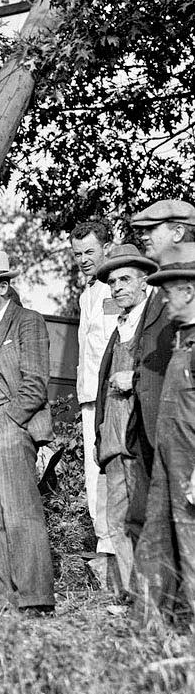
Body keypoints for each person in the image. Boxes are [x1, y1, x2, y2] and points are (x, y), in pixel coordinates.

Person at [0, 250, 55, 613]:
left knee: (20, 510)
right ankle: (2, 598)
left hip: (9, 423)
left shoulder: (28, 321)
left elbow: (35, 383)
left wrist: (12, 419)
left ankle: (35, 598)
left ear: (4, 286)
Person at [125, 201, 195, 531]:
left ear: (179, 231)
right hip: (155, 429)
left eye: (152, 230)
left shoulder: (186, 282)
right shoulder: (161, 282)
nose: (144, 238)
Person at [132, 261, 195, 621]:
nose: (164, 301)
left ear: (188, 291)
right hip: (167, 464)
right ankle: (149, 629)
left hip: (189, 468)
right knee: (154, 543)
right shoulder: (182, 340)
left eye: (169, 292)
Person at [92, 244, 158, 590]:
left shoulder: (157, 322)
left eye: (125, 280)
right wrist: (100, 436)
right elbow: (103, 387)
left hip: (142, 437)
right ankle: (133, 596)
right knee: (117, 520)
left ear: (144, 281)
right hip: (115, 442)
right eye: (112, 282)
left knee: (145, 519)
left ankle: (154, 597)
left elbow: (163, 377)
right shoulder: (119, 327)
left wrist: (133, 379)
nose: (117, 287)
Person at [69, 221, 119, 582]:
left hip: (112, 394)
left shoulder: (116, 289)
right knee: (93, 476)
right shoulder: (86, 295)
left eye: (90, 252)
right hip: (89, 397)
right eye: (78, 254)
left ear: (107, 248)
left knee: (111, 471)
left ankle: (117, 552)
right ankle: (105, 548)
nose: (84, 260)